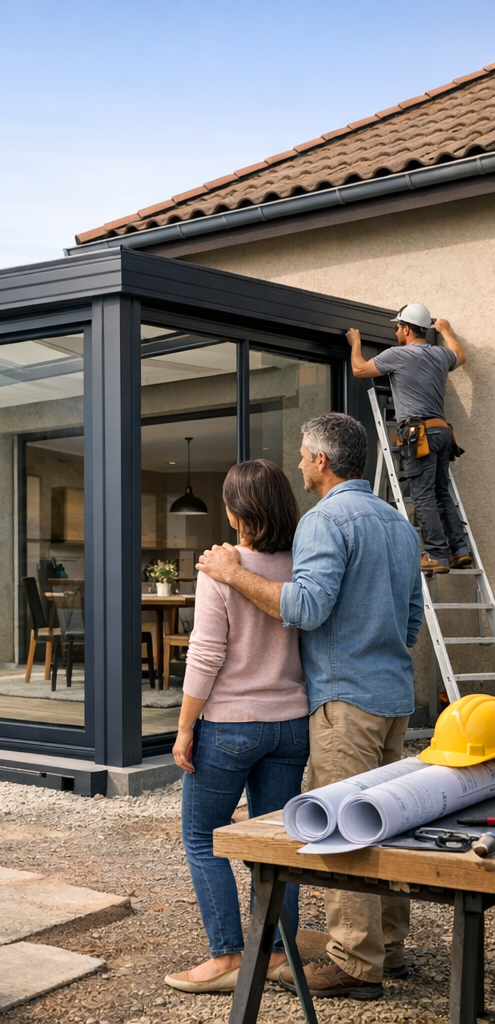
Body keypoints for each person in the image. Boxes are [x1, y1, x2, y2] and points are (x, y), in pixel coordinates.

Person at [198, 413, 423, 1001]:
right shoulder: (399, 524)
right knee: (389, 822)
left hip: (345, 700)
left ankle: (353, 962)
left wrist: (231, 571)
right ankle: (389, 949)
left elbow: (306, 607)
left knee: (348, 828)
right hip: (394, 696)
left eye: (303, 454)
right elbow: (411, 621)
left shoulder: (325, 521)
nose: (298, 463)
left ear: (321, 461)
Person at [165, 460, 308, 995]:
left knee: (204, 836)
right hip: (291, 723)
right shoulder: (303, 564)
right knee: (278, 842)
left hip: (229, 726)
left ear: (234, 512)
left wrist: (184, 728)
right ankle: (274, 954)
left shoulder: (221, 567)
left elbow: (204, 655)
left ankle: (227, 955)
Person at [347, 303, 469, 573]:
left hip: (418, 433)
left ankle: (437, 556)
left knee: (423, 495)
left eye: (397, 327)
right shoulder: (440, 355)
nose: (395, 332)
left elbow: (358, 369)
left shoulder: (398, 355)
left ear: (406, 329)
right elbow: (460, 356)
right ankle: (459, 550)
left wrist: (355, 343)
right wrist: (446, 331)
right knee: (440, 492)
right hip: (440, 432)